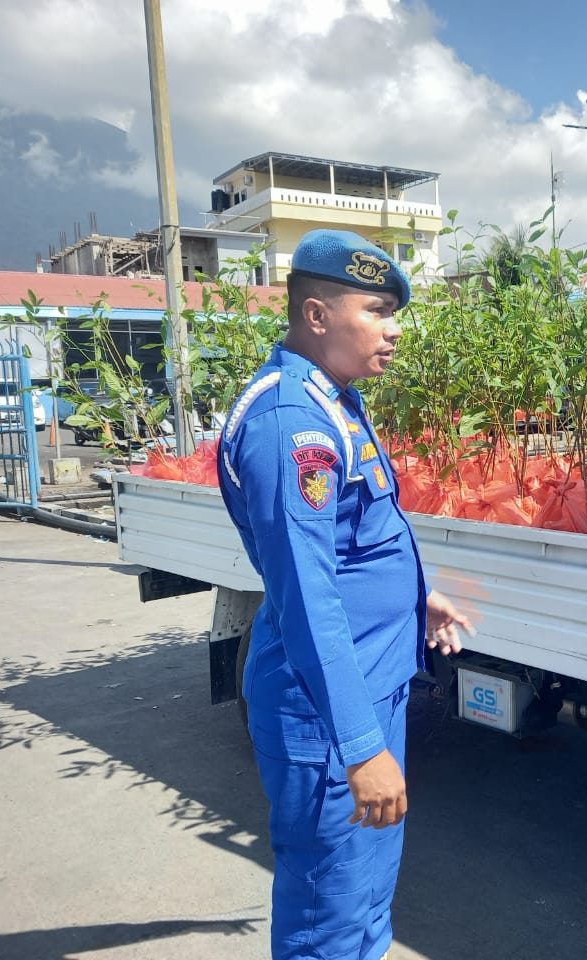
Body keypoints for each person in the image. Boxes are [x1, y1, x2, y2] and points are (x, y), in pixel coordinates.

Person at [218, 229, 473, 960]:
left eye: (397, 314)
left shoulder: (334, 399)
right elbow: (305, 594)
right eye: (378, 311)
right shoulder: (289, 424)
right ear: (319, 315)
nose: (394, 332)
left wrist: (417, 602)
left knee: (366, 900)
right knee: (327, 911)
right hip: (328, 711)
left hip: (370, 684)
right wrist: (361, 750)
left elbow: (354, 540)